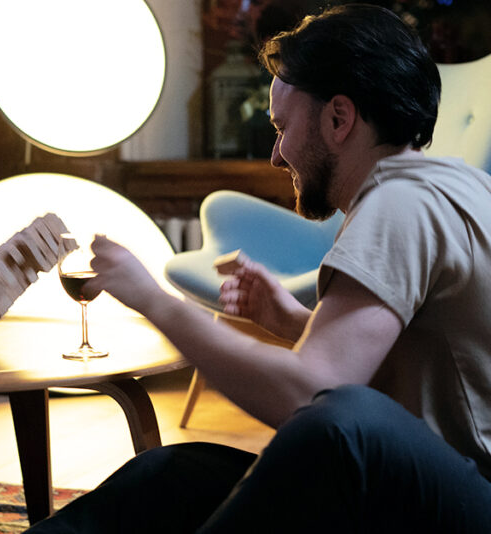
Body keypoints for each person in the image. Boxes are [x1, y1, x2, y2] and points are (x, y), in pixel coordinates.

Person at [25, 4, 491, 533]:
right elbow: (419, 367)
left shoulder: (399, 206)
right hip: (434, 488)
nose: (276, 154)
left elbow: (314, 400)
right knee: (171, 475)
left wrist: (153, 300)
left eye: (282, 127)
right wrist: (292, 322)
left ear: (339, 119)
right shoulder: (452, 185)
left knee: (342, 427)